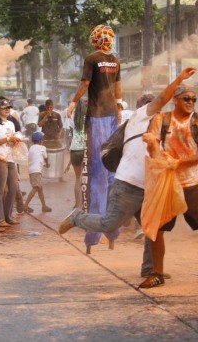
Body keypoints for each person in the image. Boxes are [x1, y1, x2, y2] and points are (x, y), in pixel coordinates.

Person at [58, 68, 197, 260]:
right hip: (128, 185)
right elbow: (162, 98)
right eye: (152, 105)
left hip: (150, 186)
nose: (157, 108)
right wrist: (180, 79)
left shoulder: (165, 127)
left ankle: (151, 271)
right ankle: (77, 217)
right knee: (109, 224)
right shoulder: (141, 116)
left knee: (152, 230)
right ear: (143, 107)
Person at [140, 83, 198, 291]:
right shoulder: (161, 120)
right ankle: (157, 274)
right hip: (168, 184)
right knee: (158, 230)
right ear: (175, 99)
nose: (191, 102)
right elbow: (152, 148)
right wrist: (154, 147)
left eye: (194, 99)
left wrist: (178, 163)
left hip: (196, 184)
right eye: (187, 99)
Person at [66, 24, 121, 252]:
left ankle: (93, 236)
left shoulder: (92, 58)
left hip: (98, 118)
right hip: (112, 117)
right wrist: (119, 110)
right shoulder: (116, 61)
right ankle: (113, 232)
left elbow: (86, 83)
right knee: (111, 174)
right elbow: (118, 89)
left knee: (98, 174)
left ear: (96, 40)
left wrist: (73, 101)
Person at [0, 99, 22, 227]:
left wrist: (15, 140)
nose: (7, 109)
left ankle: (8, 216)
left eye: (8, 107)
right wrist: (8, 138)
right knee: (0, 190)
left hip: (10, 158)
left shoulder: (11, 123)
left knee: (13, 188)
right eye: (4, 108)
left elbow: (12, 139)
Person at [24, 132, 51, 213]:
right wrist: (47, 164)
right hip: (36, 171)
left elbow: (35, 159)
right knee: (36, 188)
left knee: (40, 189)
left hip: (31, 170)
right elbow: (46, 158)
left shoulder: (31, 148)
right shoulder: (42, 148)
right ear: (41, 140)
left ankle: (44, 206)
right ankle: (25, 205)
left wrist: (43, 164)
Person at [67, 99, 87, 209]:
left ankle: (77, 204)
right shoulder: (88, 118)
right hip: (85, 150)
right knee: (86, 178)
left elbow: (70, 133)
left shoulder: (71, 117)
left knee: (78, 178)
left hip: (74, 150)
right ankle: (84, 203)